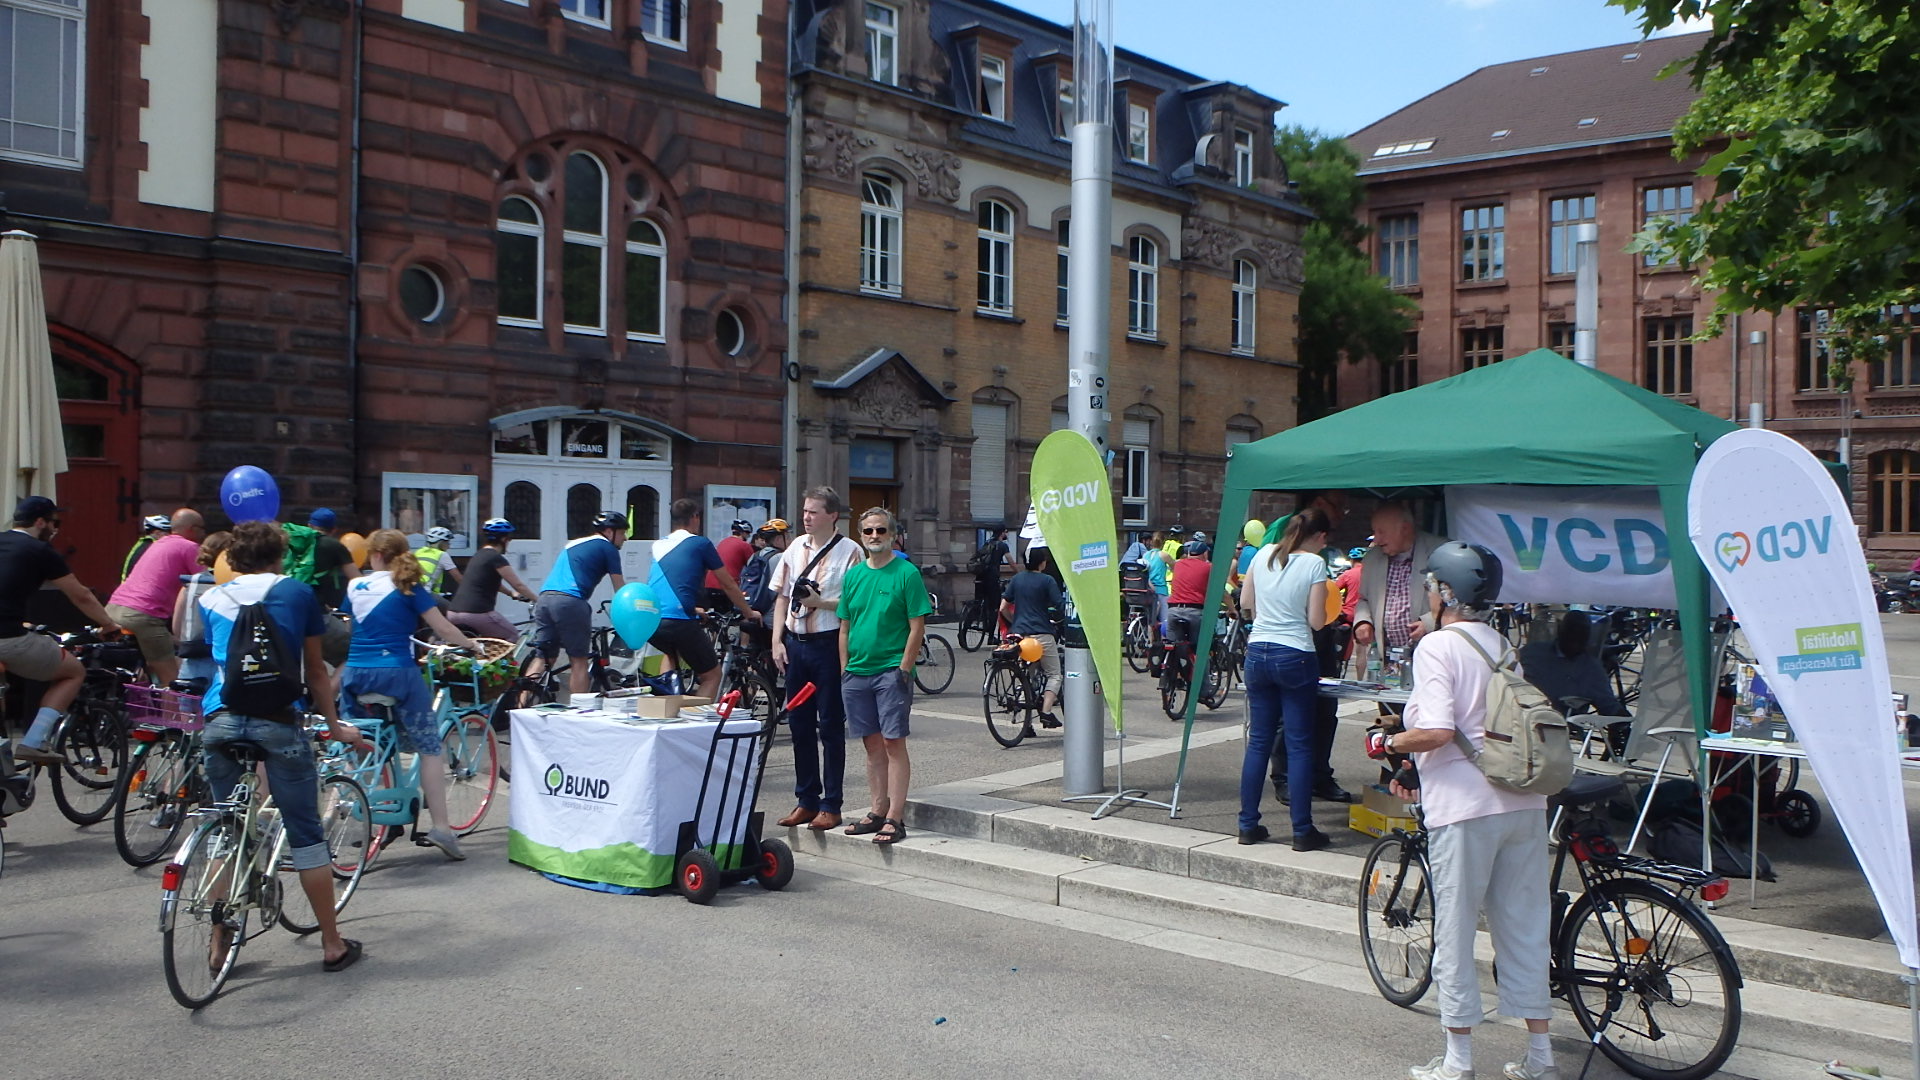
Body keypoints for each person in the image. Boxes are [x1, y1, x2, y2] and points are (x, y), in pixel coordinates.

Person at [1372, 542, 1554, 1080]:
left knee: (1453, 929)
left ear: (1446, 593)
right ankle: (1540, 1057)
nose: (1427, 595)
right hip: (1523, 800)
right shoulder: (1504, 646)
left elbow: (1437, 730)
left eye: (1430, 587)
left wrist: (1389, 744)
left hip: (1465, 807)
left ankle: (1457, 1062)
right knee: (1524, 927)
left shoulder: (1437, 646)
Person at [196, 521, 367, 971]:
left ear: (232, 558)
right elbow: (315, 670)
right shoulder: (296, 593)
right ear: (280, 556)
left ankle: (218, 941)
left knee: (226, 830)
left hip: (220, 720)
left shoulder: (210, 598)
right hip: (277, 720)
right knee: (305, 832)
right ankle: (332, 943)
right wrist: (333, 725)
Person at [340, 529, 486, 860]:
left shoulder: (355, 586)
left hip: (356, 674)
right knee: (429, 747)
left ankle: (371, 804)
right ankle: (442, 829)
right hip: (397, 674)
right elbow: (443, 628)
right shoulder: (409, 585)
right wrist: (472, 644)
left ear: (375, 555)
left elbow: (352, 627)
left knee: (362, 741)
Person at [0, 497, 124, 765]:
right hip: (7, 638)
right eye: (55, 523)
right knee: (73, 672)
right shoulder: (39, 550)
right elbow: (81, 596)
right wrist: (108, 624)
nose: (56, 529)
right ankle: (34, 742)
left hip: (11, 629)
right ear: (40, 522)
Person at [1239, 507, 1334, 851]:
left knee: (1258, 742)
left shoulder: (1264, 553)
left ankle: (1248, 824)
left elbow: (1246, 601)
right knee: (1299, 744)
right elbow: (1317, 621)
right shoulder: (1314, 564)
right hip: (1295, 653)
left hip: (1258, 651)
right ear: (1320, 537)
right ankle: (1302, 830)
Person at [770, 488, 862, 831]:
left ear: (832, 515)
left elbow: (855, 604)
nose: (806, 517)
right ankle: (806, 799)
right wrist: (777, 640)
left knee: (831, 726)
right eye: (805, 510)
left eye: (813, 511)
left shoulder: (851, 552)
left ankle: (831, 804)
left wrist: (818, 603)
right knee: (799, 724)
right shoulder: (795, 547)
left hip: (828, 644)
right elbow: (782, 596)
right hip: (796, 644)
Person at [838, 507, 929, 846]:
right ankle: (877, 810)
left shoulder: (906, 573)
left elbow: (917, 626)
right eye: (868, 531)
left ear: (892, 535)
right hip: (857, 673)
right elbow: (844, 627)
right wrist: (844, 668)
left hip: (891, 671)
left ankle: (895, 817)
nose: (874, 536)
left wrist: (904, 668)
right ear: (860, 536)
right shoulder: (853, 576)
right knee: (871, 743)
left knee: (893, 743)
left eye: (880, 530)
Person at [645, 498, 757, 703]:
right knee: (712, 676)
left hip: (652, 619)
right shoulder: (700, 543)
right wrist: (748, 612)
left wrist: (694, 609)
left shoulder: (659, 544)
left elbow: (666, 584)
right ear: (695, 517)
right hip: (678, 621)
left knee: (671, 655)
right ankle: (695, 721)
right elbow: (728, 584)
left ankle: (666, 713)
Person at [530, 510, 629, 698]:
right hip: (570, 602)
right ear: (609, 532)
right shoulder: (608, 548)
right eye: (623, 533)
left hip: (544, 599)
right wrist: (630, 610)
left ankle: (520, 704)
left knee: (543, 657)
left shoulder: (573, 544)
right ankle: (578, 709)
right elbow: (620, 588)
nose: (625, 539)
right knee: (579, 661)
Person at [106, 508, 206, 687]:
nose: (203, 534)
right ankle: (174, 705)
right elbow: (208, 583)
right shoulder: (190, 547)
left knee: (145, 669)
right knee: (172, 679)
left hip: (113, 609)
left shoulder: (158, 543)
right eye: (202, 529)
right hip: (142, 615)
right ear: (192, 529)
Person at [1352, 500, 1446, 666]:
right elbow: (1363, 599)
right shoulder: (1372, 557)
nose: (1377, 539)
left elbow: (1455, 600)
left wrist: (1429, 623)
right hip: (1387, 661)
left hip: (1428, 657)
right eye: (1374, 532)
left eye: (1382, 532)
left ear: (1405, 528)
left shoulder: (1440, 552)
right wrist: (1363, 621)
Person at [999, 548, 1064, 729]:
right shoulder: (1047, 580)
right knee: (1054, 674)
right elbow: (1060, 605)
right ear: (1042, 563)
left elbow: (1003, 608)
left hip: (1020, 637)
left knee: (1025, 677)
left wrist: (1015, 622)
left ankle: (1025, 724)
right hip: (1041, 634)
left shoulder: (1017, 579)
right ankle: (1046, 712)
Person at [1518, 610, 1623, 716]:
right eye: (1571, 634)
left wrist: (1623, 718)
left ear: (1587, 639)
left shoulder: (1592, 670)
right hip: (1520, 712)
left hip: (1556, 721)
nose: (1575, 642)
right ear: (1560, 631)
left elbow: (1609, 706)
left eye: (1581, 637)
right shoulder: (1531, 652)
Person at [447, 518, 536, 642]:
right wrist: (538, 600)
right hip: (476, 614)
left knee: (483, 643)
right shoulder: (495, 558)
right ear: (504, 539)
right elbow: (518, 585)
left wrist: (511, 593)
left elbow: (488, 582)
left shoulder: (478, 555)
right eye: (509, 539)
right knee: (511, 635)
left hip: (453, 613)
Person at [171, 531, 233, 688]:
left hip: (193, 656)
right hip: (226, 660)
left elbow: (177, 629)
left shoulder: (191, 584)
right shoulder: (235, 585)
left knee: (189, 701)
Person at [306, 508, 361, 667]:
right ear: (334, 529)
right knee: (354, 651)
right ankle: (334, 683)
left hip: (288, 614)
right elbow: (357, 581)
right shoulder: (334, 546)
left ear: (309, 525)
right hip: (317, 614)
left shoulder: (295, 544)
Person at [704, 518, 755, 608]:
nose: (748, 536)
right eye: (748, 533)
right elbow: (754, 568)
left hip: (709, 585)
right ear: (743, 533)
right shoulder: (745, 546)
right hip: (727, 587)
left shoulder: (723, 542)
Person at [971, 526, 1012, 619]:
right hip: (992, 578)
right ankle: (991, 627)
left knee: (979, 601)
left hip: (980, 576)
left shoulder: (987, 543)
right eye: (1006, 531)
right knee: (994, 605)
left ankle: (968, 622)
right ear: (1002, 533)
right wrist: (1019, 573)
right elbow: (1011, 563)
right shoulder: (1002, 545)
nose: (1007, 534)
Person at [412, 526, 463, 597]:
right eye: (447, 542)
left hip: (412, 590)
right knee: (449, 604)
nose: (449, 545)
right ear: (441, 542)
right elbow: (458, 578)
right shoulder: (442, 555)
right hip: (426, 593)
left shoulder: (419, 552)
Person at [121, 514, 172, 582]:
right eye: (167, 534)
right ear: (157, 533)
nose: (170, 537)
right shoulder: (152, 547)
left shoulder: (142, 543)